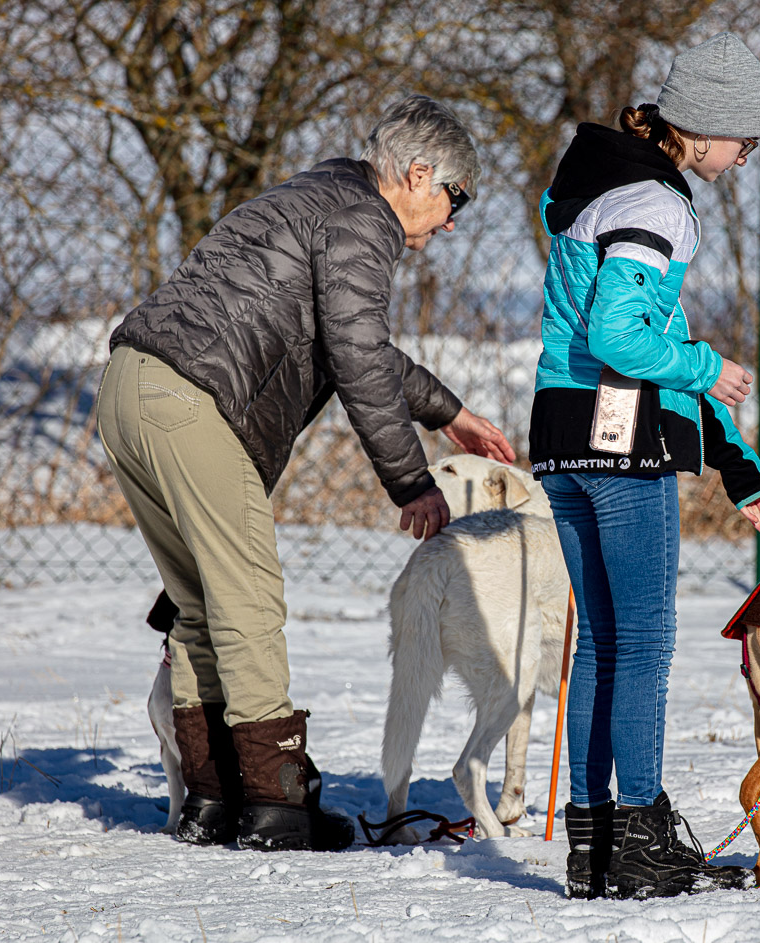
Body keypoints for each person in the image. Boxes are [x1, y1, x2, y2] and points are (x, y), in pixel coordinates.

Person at [95, 95, 514, 852]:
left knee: (199, 603)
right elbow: (357, 356)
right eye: (456, 198)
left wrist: (444, 411)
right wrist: (412, 481)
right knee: (248, 596)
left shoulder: (319, 195)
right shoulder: (364, 221)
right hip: (192, 399)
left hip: (130, 386)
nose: (451, 221)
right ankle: (277, 802)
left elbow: (360, 348)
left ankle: (213, 796)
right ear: (419, 174)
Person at [528, 33, 760, 899]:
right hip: (620, 440)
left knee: (601, 640)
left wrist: (738, 468)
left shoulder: (598, 187)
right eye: (746, 139)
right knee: (644, 642)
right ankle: (640, 834)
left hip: (562, 432)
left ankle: (592, 843)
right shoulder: (657, 204)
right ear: (703, 129)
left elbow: (623, 336)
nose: (747, 156)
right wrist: (711, 370)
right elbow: (623, 338)